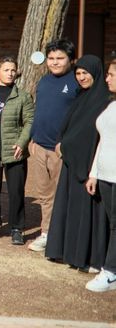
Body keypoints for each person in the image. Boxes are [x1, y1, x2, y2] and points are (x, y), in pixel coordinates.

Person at [45, 55, 109, 272]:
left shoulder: (104, 100)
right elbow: (70, 125)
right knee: (69, 207)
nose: (81, 77)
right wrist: (63, 141)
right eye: (78, 73)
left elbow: (91, 132)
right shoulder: (81, 97)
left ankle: (88, 257)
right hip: (73, 162)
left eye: (85, 73)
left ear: (96, 73)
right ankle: (66, 250)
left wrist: (67, 144)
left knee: (88, 211)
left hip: (90, 163)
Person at [27, 39, 78, 253]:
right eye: (51, 58)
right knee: (44, 195)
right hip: (39, 146)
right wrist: (32, 140)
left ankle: (65, 236)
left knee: (62, 194)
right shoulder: (44, 81)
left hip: (62, 150)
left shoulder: (77, 82)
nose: (55, 62)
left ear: (71, 59)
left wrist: (66, 142)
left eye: (60, 58)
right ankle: (47, 233)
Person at [0, 56, 34, 244]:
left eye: (13, 70)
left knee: (16, 191)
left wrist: (22, 142)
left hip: (15, 151)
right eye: (6, 70)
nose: (10, 73)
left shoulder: (23, 96)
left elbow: (30, 121)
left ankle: (17, 228)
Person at [84, 58, 116, 292]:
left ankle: (111, 271)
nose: (106, 78)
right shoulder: (111, 106)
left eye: (112, 74)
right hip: (106, 175)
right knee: (113, 223)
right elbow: (103, 142)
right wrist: (94, 173)